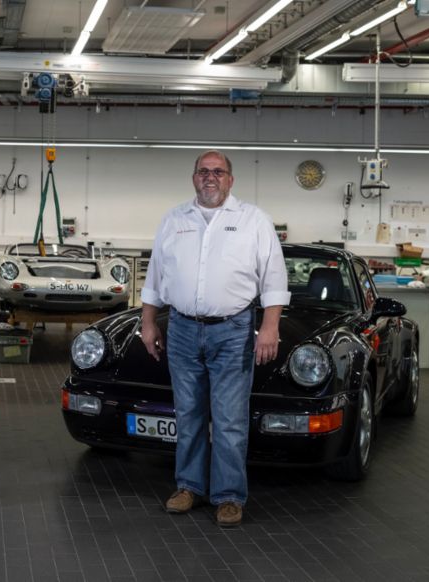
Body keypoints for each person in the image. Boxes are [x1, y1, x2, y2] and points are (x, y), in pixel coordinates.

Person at [140, 150, 290, 527]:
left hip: (234, 330)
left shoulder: (254, 220)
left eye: (218, 172)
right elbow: (156, 276)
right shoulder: (174, 219)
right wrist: (148, 322)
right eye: (203, 171)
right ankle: (189, 486)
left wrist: (270, 326)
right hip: (182, 329)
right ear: (194, 177)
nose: (210, 177)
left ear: (230, 180)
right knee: (188, 413)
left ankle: (228, 496)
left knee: (229, 419)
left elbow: (273, 277)